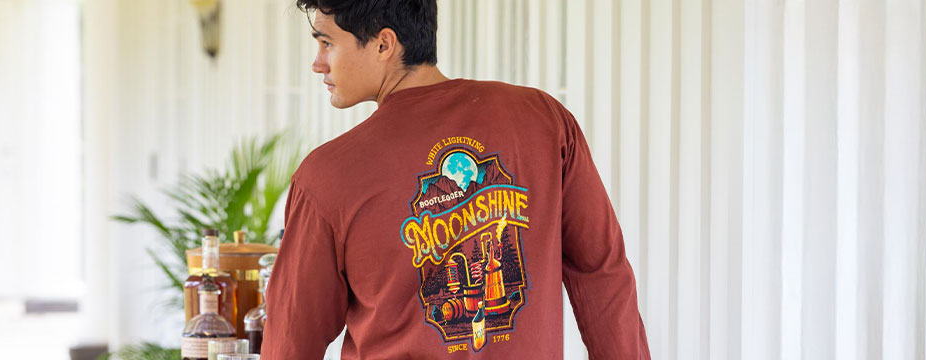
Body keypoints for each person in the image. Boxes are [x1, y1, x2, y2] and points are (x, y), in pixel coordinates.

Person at [260, 0, 650, 358]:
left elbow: (292, 337)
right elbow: (602, 273)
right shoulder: (544, 120)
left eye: (327, 42)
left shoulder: (328, 175)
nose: (318, 62)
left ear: (384, 44)